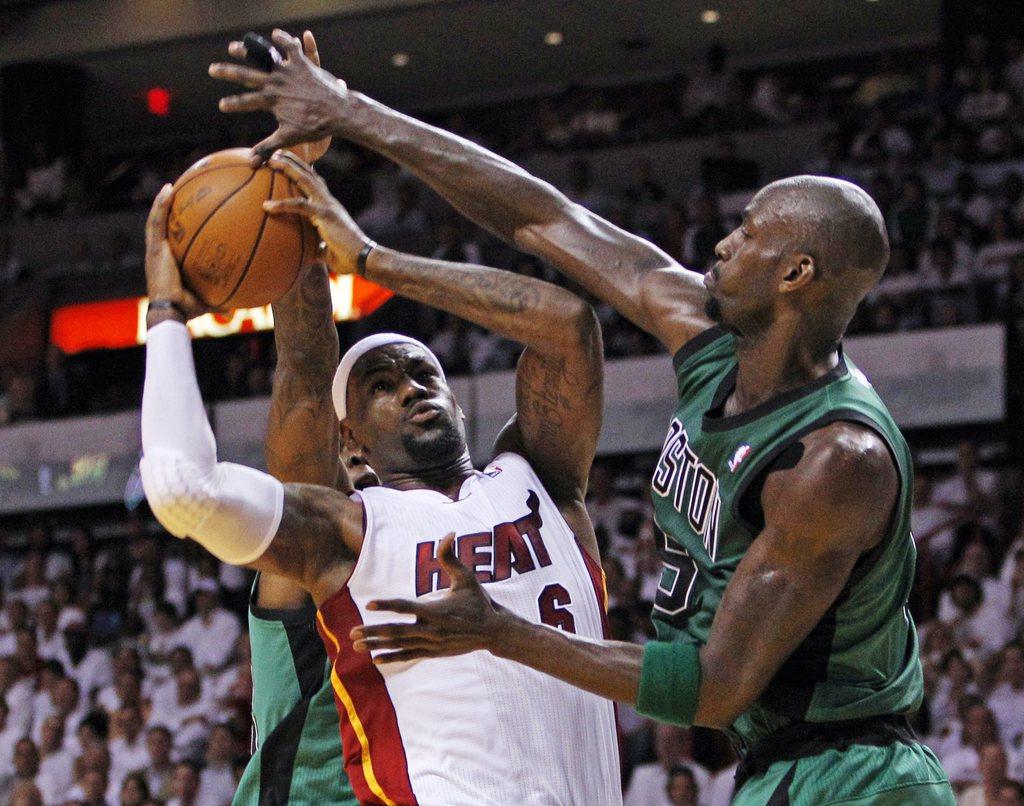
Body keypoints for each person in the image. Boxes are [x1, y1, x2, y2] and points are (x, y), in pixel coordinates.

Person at [209, 28, 955, 804]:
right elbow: (545, 218)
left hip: (855, 770)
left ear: (796, 274)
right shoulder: (705, 336)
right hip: (772, 764)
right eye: (379, 386)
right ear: (349, 439)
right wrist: (350, 118)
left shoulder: (835, 460)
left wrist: (501, 632)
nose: (724, 241)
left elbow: (712, 686)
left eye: (752, 234)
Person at [136, 156, 620, 804]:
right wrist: (283, 214)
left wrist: (371, 259)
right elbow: (277, 400)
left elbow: (568, 327)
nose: (414, 388)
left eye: (426, 375)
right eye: (384, 387)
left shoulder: (540, 482)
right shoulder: (347, 529)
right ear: (350, 439)